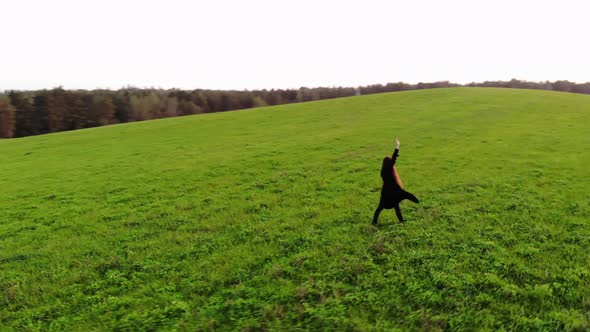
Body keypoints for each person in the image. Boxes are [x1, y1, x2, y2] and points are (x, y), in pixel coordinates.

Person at [372, 137, 419, 224]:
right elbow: (394, 158)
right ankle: (417, 202)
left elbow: (392, 160)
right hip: (394, 191)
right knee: (404, 198)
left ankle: (374, 222)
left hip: (385, 192)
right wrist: (398, 145)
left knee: (380, 208)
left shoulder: (382, 171)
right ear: (389, 164)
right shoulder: (390, 169)